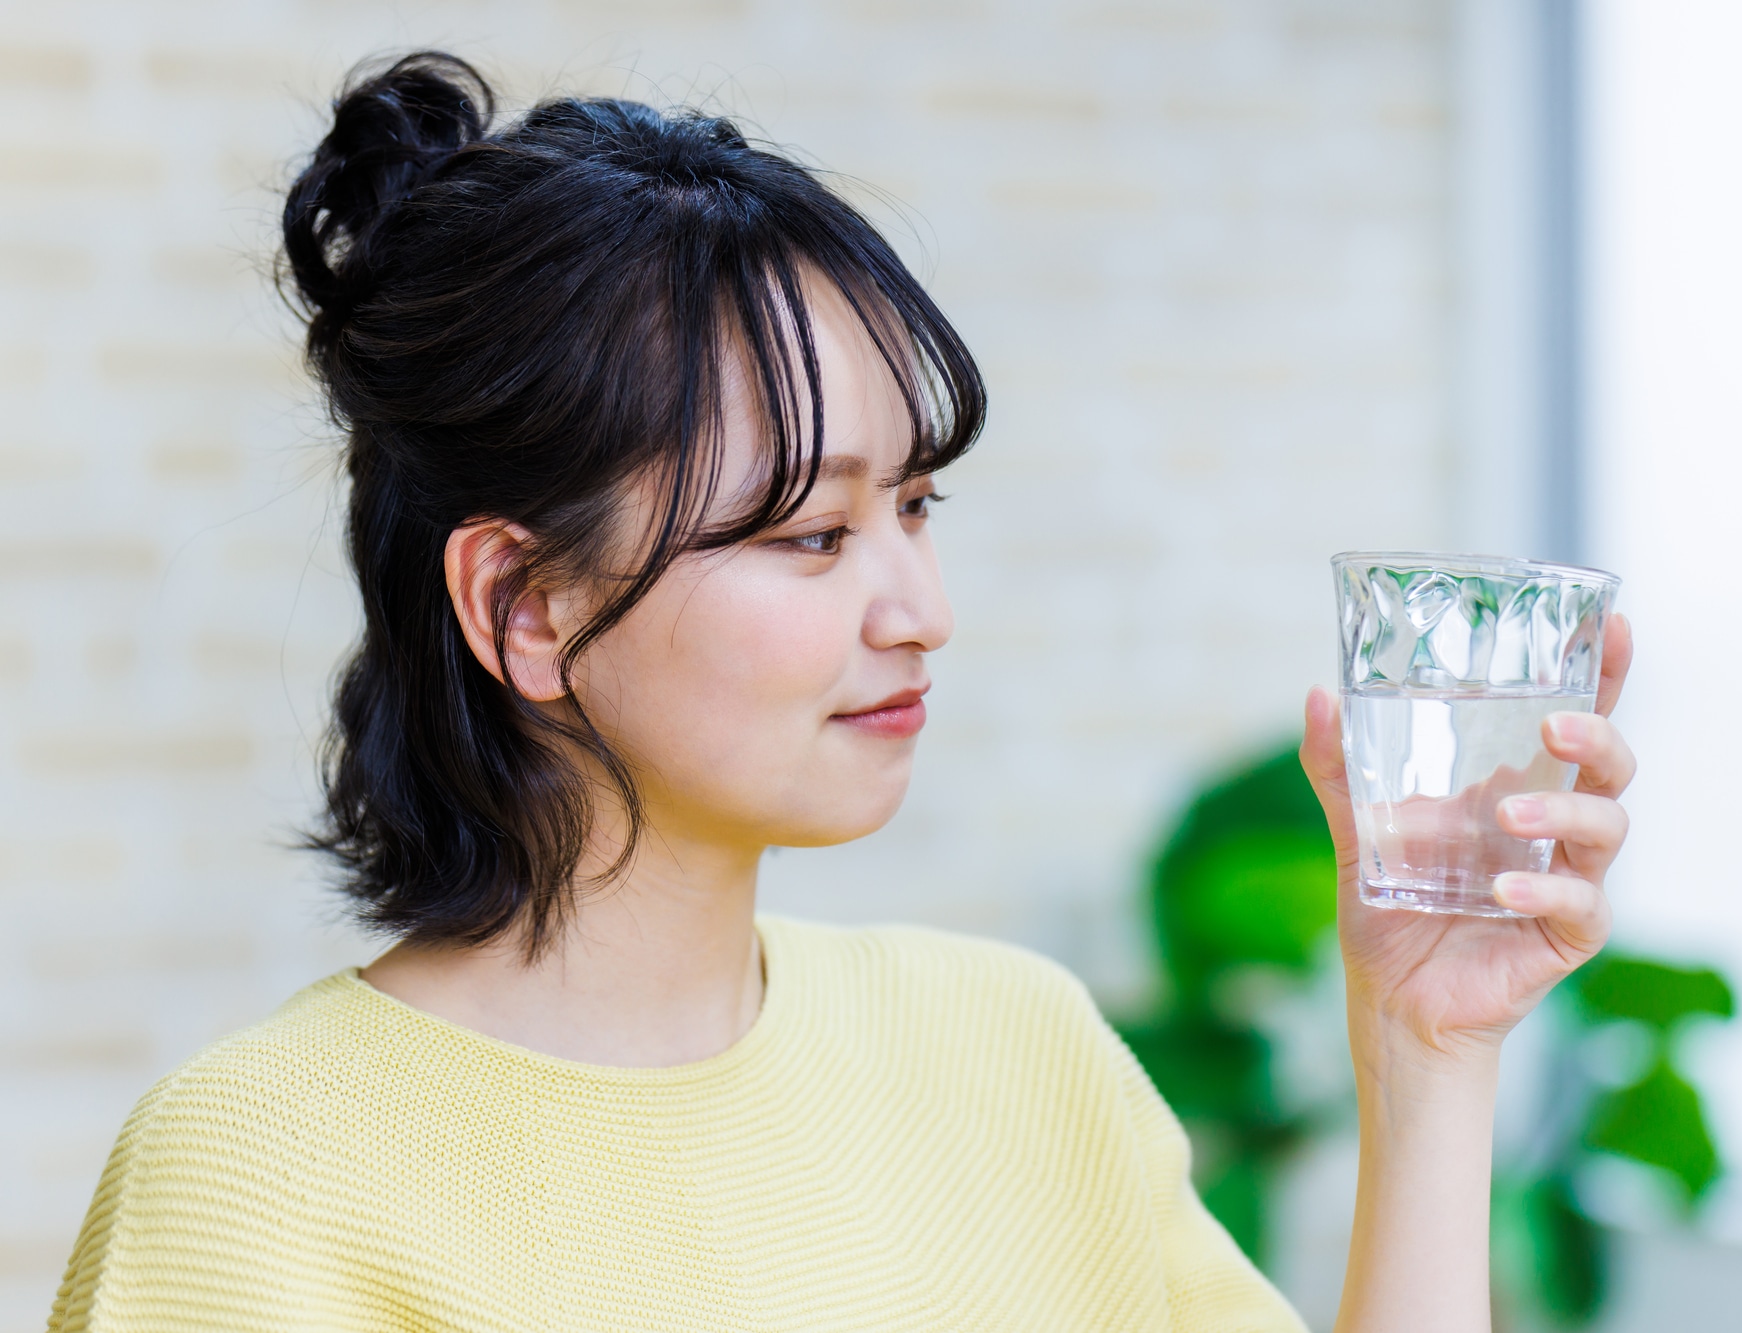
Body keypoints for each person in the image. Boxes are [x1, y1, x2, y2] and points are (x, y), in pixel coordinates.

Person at [48, 52, 1636, 1333]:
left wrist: (1427, 1058)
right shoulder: (262, 1184)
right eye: (811, 532)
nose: (920, 611)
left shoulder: (1022, 1052)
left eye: (917, 510)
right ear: (524, 605)